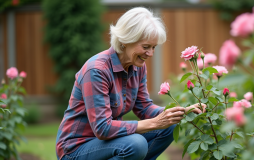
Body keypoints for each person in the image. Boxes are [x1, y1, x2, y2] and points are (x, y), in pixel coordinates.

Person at [56, 7, 205, 160]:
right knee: (136, 144)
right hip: (76, 149)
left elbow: (144, 107)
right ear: (125, 41)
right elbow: (102, 128)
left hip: (107, 142)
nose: (150, 54)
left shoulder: (137, 67)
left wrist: (179, 112)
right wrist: (154, 123)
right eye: (146, 47)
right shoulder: (97, 70)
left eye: (153, 47)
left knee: (169, 126)